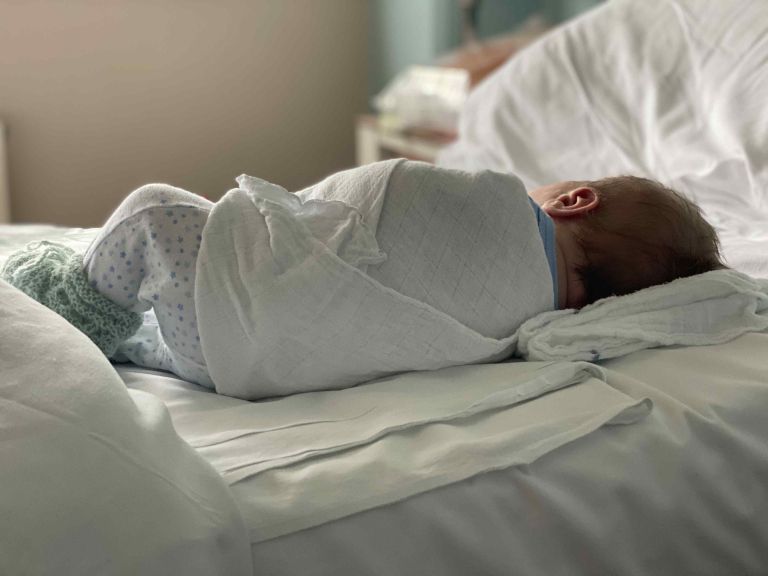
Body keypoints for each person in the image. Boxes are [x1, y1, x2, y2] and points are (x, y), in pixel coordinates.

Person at [1, 161, 723, 397]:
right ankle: (139, 341)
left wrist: (292, 224)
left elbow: (375, 194)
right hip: (231, 366)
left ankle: (78, 310)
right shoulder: (533, 330)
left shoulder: (502, 205)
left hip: (232, 301)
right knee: (176, 326)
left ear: (575, 200)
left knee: (155, 211)